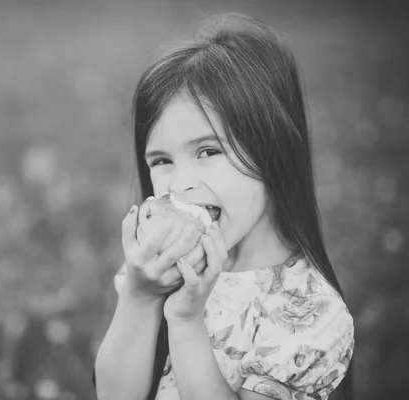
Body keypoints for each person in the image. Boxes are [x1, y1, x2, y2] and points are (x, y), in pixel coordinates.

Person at [93, 12, 354, 400]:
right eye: (162, 160)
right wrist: (139, 294)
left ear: (272, 150)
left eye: (208, 150)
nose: (180, 184)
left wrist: (185, 321)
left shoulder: (311, 312)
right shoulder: (165, 268)